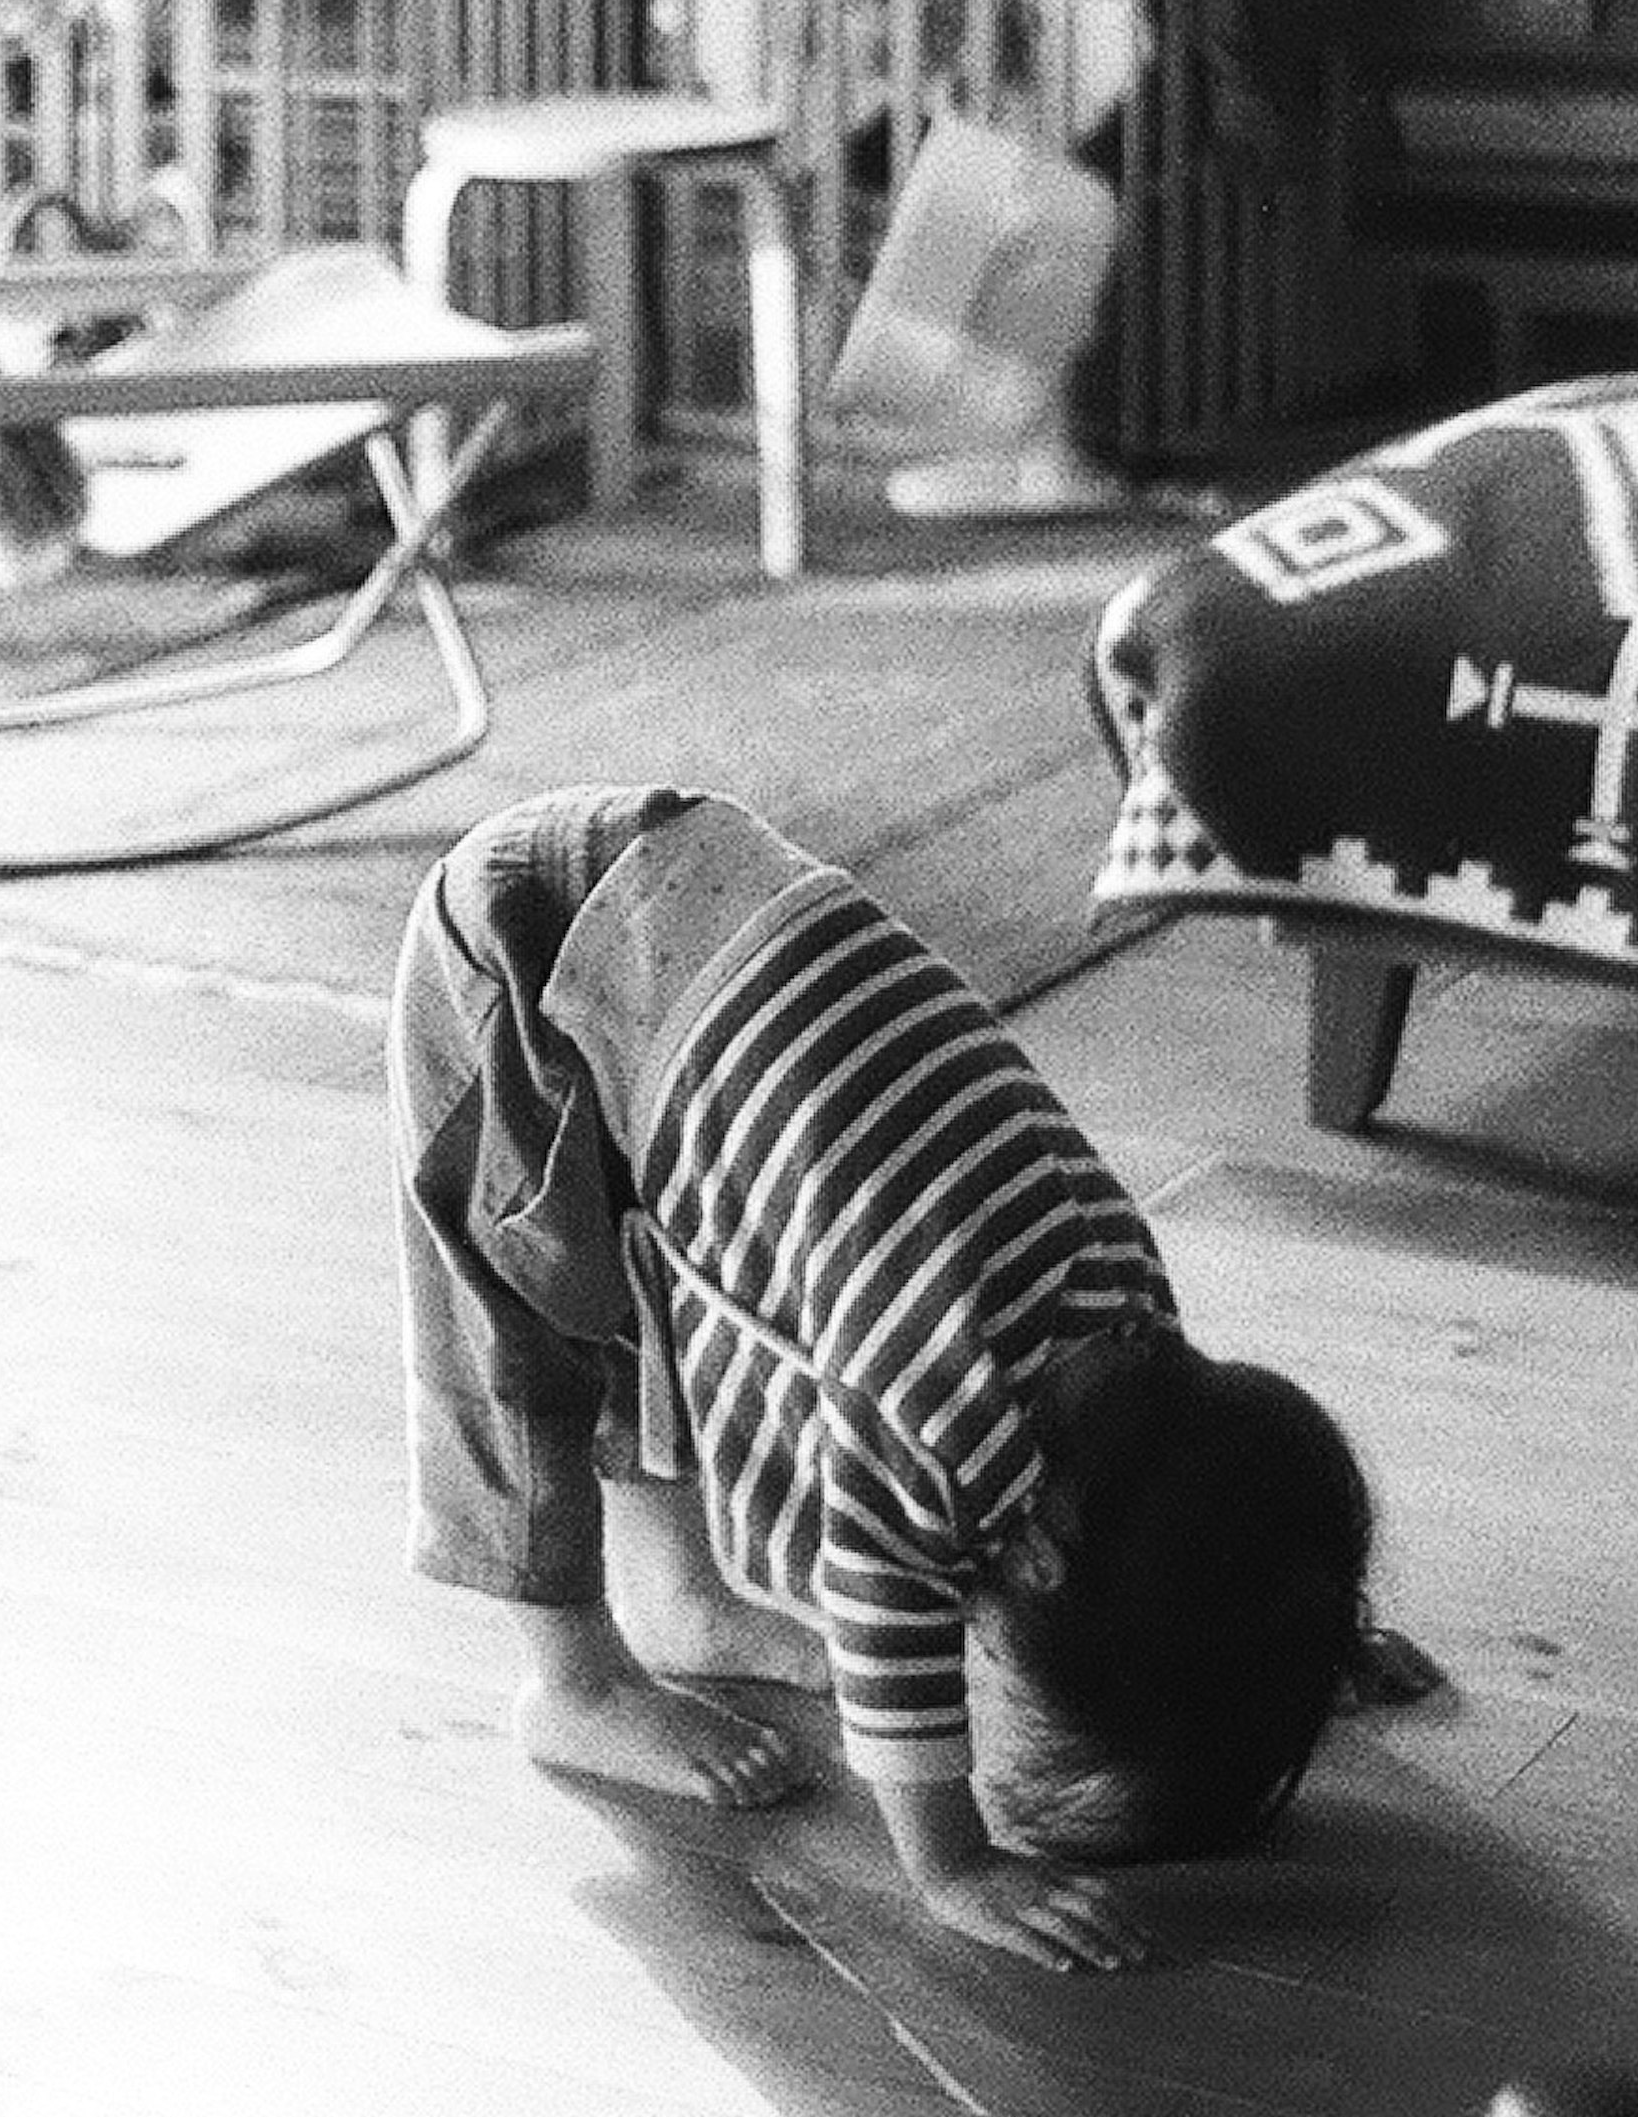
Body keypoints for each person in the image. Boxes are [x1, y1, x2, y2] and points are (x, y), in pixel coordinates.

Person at [389, 784, 1419, 1974]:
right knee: (533, 1343)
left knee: (666, 1297)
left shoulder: (1128, 1314)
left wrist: (1300, 1636)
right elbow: (888, 1599)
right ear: (1031, 1555)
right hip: (526, 958)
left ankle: (687, 1602)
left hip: (690, 911)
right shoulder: (934, 1409)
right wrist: (955, 1866)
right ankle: (573, 1686)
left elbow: (1230, 1519)